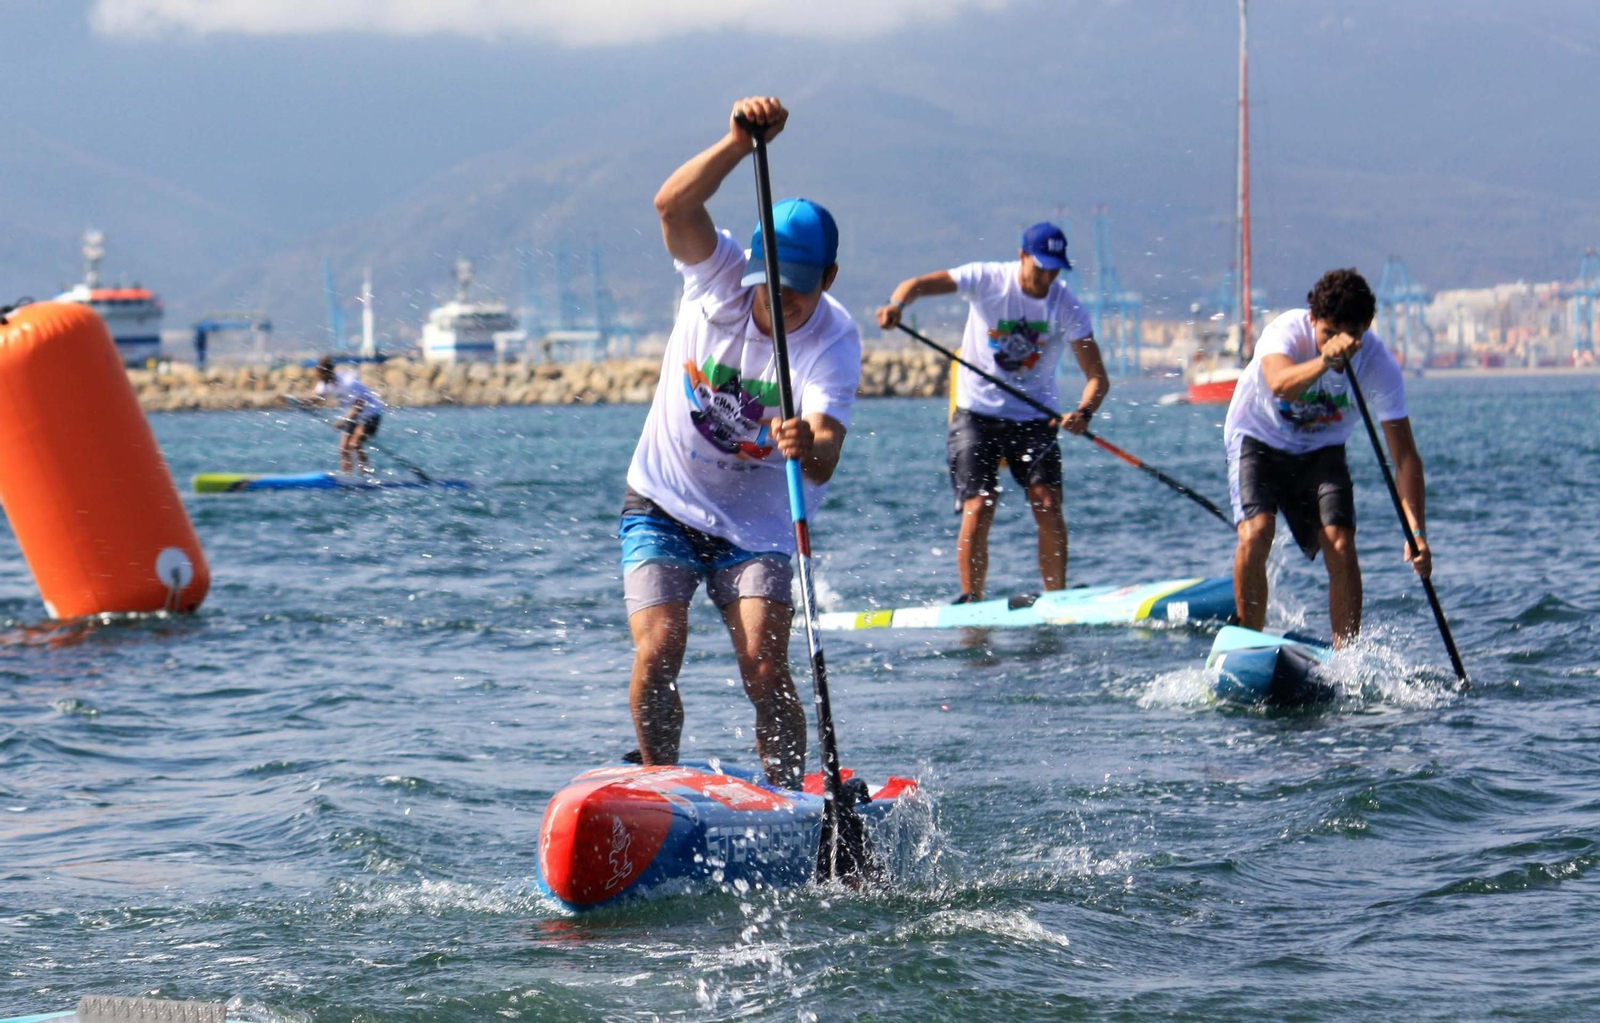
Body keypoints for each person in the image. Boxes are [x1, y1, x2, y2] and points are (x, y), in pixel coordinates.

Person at [622, 96, 861, 789]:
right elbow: (671, 207)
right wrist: (736, 143)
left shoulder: (835, 336)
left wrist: (805, 441)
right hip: (662, 501)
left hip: (758, 522)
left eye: (799, 290)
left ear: (828, 280)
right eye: (771, 284)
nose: (781, 300)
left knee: (762, 662)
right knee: (659, 649)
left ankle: (787, 797)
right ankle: (659, 786)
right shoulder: (716, 273)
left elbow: (828, 443)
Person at [876, 223, 1109, 602]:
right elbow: (916, 283)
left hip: (1035, 417)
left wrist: (1084, 412)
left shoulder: (1066, 305)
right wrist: (897, 306)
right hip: (977, 413)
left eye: (1055, 269)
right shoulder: (986, 279)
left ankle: (1058, 598)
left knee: (1047, 502)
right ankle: (972, 600)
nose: (1048, 277)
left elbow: (1097, 378)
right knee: (980, 504)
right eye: (1041, 267)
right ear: (1022, 256)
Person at [1224, 268, 1431, 644]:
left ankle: (1345, 660)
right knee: (1257, 533)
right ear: (1312, 318)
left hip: (1321, 450)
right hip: (1257, 437)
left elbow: (1404, 458)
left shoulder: (1379, 364)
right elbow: (1279, 384)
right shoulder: (1285, 332)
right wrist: (1326, 360)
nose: (1340, 344)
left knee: (1340, 543)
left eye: (1351, 335)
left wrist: (1416, 531)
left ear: (1366, 327)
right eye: (1329, 333)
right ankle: (1246, 640)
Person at [314, 355, 385, 474]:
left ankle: (366, 475)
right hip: (353, 417)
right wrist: (294, 401)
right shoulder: (323, 384)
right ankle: (347, 476)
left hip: (371, 414)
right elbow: (315, 400)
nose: (319, 377)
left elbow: (359, 405)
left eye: (321, 374)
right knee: (343, 448)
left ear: (328, 372)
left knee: (355, 444)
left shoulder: (348, 382)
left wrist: (343, 421)